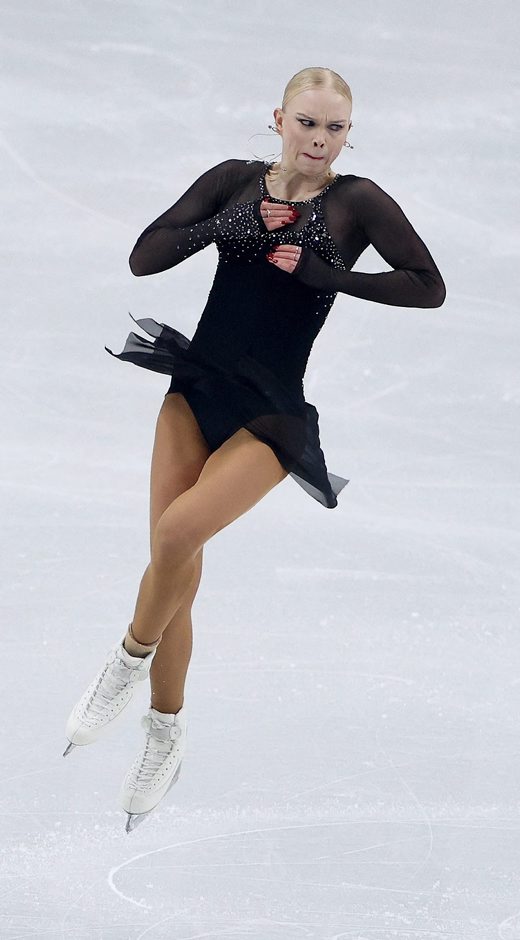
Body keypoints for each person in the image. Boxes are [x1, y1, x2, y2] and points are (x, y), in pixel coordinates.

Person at [63, 66, 446, 831]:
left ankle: (129, 660)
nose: (319, 139)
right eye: (307, 122)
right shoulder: (233, 182)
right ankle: (165, 732)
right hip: (196, 390)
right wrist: (221, 227)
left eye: (334, 127)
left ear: (347, 134)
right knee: (175, 565)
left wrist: (328, 274)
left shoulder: (356, 201)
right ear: (278, 119)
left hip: (271, 415)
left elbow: (426, 284)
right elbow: (144, 255)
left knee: (176, 535)